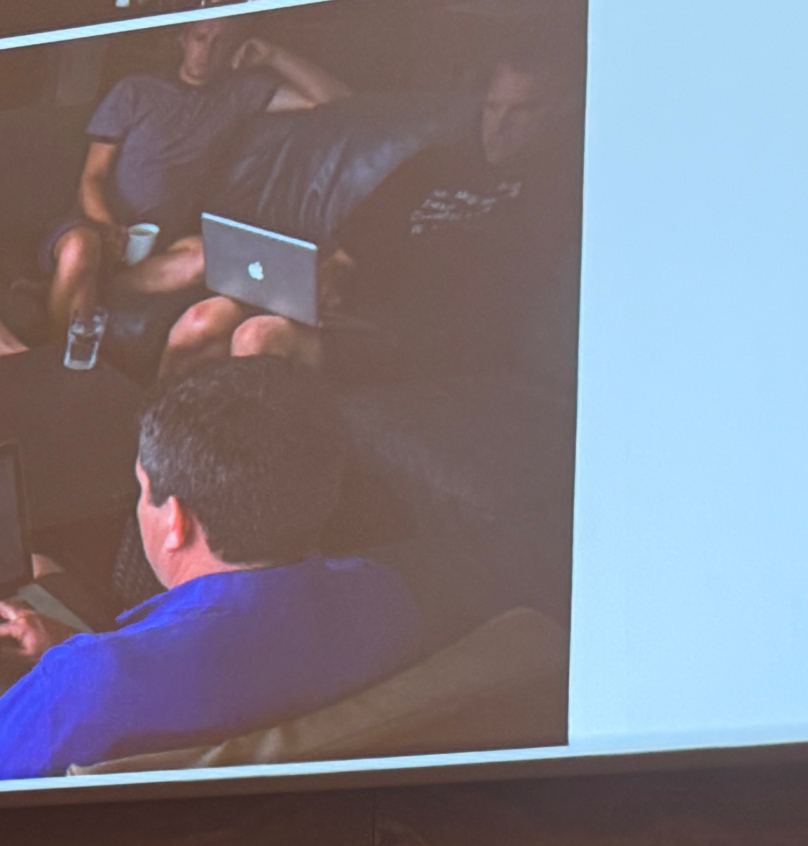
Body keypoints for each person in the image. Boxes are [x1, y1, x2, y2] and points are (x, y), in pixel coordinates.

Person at [0, 356, 419, 778]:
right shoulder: (382, 600)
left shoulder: (78, 690)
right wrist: (84, 650)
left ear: (175, 521)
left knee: (40, 565)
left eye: (143, 490)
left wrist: (76, 666)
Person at [161, 50, 581, 381]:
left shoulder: (558, 191)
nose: (500, 125)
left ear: (558, 111)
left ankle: (228, 464)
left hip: (428, 338)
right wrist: (325, 282)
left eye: (522, 110)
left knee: (258, 337)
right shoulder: (432, 165)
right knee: (202, 321)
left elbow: (505, 296)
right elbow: (346, 254)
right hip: (359, 314)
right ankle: (154, 457)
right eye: (492, 107)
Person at [43, 19, 350, 348]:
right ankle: (53, 357)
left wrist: (273, 55)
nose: (207, 51)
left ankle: (96, 283)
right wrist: (107, 228)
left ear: (235, 47)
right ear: (183, 38)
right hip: (94, 224)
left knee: (209, 260)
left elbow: (338, 98)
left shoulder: (238, 94)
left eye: (221, 42)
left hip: (163, 243)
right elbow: (93, 176)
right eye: (200, 38)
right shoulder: (134, 90)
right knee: (80, 248)